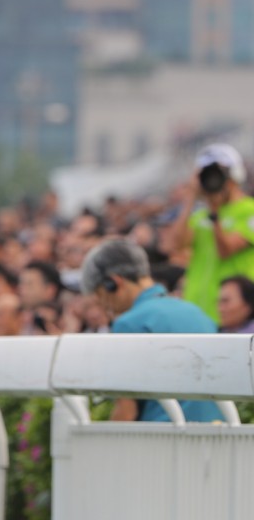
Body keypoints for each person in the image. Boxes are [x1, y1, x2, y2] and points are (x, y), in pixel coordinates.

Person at [80, 237, 224, 423]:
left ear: (114, 283)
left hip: (160, 439)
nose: (104, 306)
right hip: (216, 433)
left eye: (101, 296)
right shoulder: (196, 312)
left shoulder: (129, 323)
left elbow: (126, 412)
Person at [170, 143, 254, 324]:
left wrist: (215, 213)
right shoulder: (201, 215)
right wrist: (190, 199)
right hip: (197, 310)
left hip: (233, 315)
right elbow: (175, 245)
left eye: (219, 174)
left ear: (234, 177)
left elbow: (226, 250)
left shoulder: (249, 210)